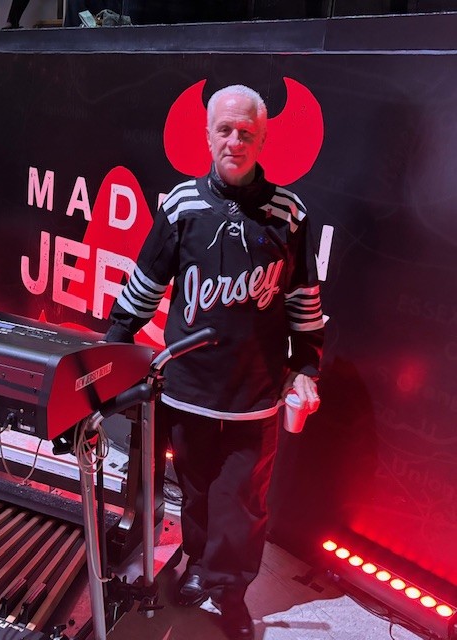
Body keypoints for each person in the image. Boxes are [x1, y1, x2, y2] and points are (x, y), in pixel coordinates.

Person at [105, 84, 324, 640]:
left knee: (242, 502)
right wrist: (113, 343)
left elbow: (303, 297)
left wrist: (307, 364)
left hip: (254, 393)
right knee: (198, 491)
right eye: (224, 130)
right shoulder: (181, 207)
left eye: (245, 131)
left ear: (263, 137)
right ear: (206, 135)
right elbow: (147, 281)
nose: (234, 140)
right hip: (187, 387)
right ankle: (201, 568)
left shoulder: (289, 214)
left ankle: (230, 591)